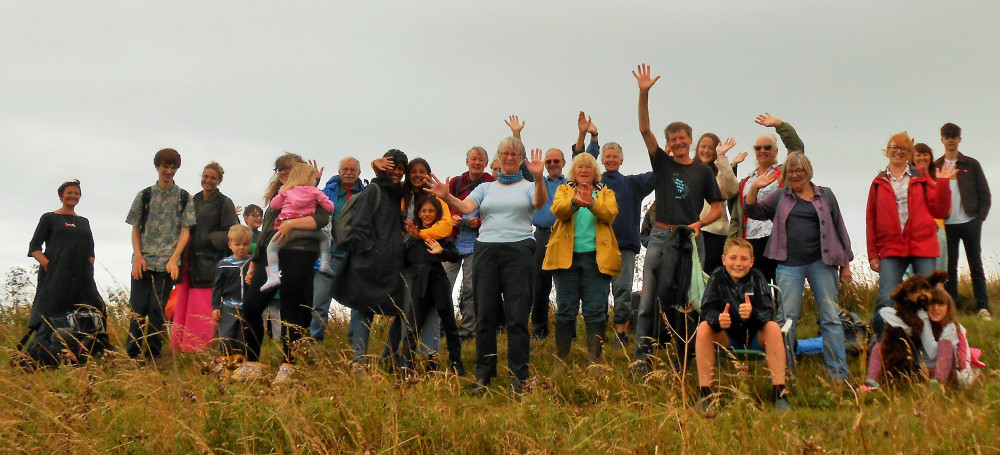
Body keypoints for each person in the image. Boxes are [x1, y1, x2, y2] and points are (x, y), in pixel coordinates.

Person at [425, 136, 546, 394]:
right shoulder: (486, 188)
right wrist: (446, 197)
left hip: (519, 249)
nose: (509, 157)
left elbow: (538, 203)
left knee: (516, 317)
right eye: (505, 153)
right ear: (498, 158)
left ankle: (519, 378)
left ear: (522, 158)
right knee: (485, 315)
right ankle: (484, 378)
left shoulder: (528, 185)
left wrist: (539, 178)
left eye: (515, 154)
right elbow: (466, 206)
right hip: (486, 251)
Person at [631, 63, 723, 374]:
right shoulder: (662, 164)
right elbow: (645, 129)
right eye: (673, 139)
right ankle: (642, 363)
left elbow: (717, 208)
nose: (679, 142)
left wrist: (701, 224)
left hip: (690, 239)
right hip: (660, 237)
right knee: (648, 302)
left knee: (690, 300)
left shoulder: (702, 171)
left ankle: (687, 358)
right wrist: (644, 93)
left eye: (683, 138)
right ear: (668, 143)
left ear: (691, 139)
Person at [745, 152, 853, 381]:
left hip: (822, 264)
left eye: (799, 170)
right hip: (788, 266)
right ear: (785, 175)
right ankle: (785, 374)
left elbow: (839, 228)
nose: (795, 175)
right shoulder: (779, 197)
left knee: (831, 317)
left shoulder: (826, 195)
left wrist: (846, 265)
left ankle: (839, 376)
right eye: (791, 171)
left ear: (807, 171)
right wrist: (754, 187)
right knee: (786, 320)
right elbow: (752, 211)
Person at [232, 152, 329, 383]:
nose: (284, 172)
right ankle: (252, 363)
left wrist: (292, 223)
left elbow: (322, 219)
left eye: (289, 168)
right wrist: (255, 262)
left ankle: (289, 366)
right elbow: (266, 234)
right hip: (271, 256)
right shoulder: (278, 196)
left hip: (300, 252)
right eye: (280, 169)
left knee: (290, 307)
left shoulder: (310, 192)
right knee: (252, 305)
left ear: (299, 170)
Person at [570, 112, 653, 347]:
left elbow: (659, 174)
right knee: (596, 292)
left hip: (624, 245)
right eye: (607, 156)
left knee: (622, 291)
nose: (611, 159)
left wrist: (666, 154)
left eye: (615, 156)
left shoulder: (633, 184)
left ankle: (621, 333)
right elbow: (580, 159)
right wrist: (587, 134)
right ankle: (596, 334)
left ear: (621, 160)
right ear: (602, 160)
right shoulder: (594, 183)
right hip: (595, 244)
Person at [866, 132, 954, 337]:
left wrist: (943, 183)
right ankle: (881, 346)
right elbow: (871, 219)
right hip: (892, 248)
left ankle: (930, 348)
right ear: (887, 152)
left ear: (909, 154)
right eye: (893, 147)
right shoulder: (878, 183)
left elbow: (940, 211)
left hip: (923, 246)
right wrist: (873, 254)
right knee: (886, 299)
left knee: (926, 300)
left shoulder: (922, 179)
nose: (897, 151)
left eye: (903, 148)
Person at [543, 152, 620, 368]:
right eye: (579, 167)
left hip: (597, 260)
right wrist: (575, 203)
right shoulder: (563, 190)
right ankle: (561, 362)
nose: (584, 171)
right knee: (565, 309)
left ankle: (594, 363)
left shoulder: (606, 193)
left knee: (595, 309)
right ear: (573, 172)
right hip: (566, 260)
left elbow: (610, 214)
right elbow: (557, 211)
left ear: (595, 172)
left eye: (588, 167)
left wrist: (592, 203)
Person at [333, 150, 409, 368]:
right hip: (368, 261)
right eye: (393, 168)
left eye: (401, 169)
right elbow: (359, 225)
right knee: (363, 309)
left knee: (397, 308)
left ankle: (388, 357)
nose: (397, 173)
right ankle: (359, 360)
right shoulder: (373, 190)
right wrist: (368, 251)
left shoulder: (399, 194)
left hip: (390, 263)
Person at [695, 238, 788, 412]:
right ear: (724, 260)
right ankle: (705, 395)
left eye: (744, 259)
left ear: (752, 262)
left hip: (754, 338)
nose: (738, 264)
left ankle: (779, 394)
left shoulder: (758, 277)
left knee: (774, 328)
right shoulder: (717, 276)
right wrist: (718, 319)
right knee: (704, 328)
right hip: (728, 339)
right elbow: (707, 309)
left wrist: (752, 314)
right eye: (733, 258)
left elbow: (768, 312)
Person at [124, 148, 197, 359]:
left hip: (167, 263)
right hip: (143, 261)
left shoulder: (184, 198)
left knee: (158, 311)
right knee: (137, 310)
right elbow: (136, 227)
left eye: (173, 167)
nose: (169, 171)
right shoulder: (145, 195)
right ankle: (132, 356)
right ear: (157, 166)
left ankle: (152, 356)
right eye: (166, 166)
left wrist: (174, 259)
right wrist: (137, 256)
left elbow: (185, 231)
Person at [26, 179, 107, 360]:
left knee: (96, 308)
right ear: (61, 195)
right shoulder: (49, 218)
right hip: (55, 276)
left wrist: (89, 266)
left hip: (81, 277)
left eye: (76, 193)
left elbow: (90, 249)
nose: (73, 196)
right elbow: (34, 247)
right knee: (49, 312)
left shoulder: (84, 221)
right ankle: (37, 354)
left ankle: (91, 350)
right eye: (69, 192)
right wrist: (48, 264)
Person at [170, 161, 239, 353]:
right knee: (184, 302)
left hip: (211, 261)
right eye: (206, 176)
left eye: (213, 178)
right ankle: (179, 346)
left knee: (202, 305)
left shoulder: (225, 202)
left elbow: (231, 231)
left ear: (219, 181)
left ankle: (198, 348)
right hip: (188, 260)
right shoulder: (194, 199)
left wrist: (209, 238)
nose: (208, 180)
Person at [729, 113, 805, 286]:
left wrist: (779, 125)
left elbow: (797, 150)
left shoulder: (784, 173)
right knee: (756, 291)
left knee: (783, 287)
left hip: (779, 238)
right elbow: (736, 217)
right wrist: (733, 244)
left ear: (776, 151)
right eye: (758, 147)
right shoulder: (746, 182)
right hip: (751, 242)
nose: (762, 150)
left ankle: (784, 314)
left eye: (767, 147)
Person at [398, 197, 466, 375]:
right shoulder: (413, 236)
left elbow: (455, 256)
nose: (427, 215)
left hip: (438, 282)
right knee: (413, 325)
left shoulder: (439, 236)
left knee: (449, 324)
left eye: (431, 211)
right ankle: (406, 365)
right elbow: (403, 260)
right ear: (418, 214)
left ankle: (456, 363)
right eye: (424, 211)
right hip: (420, 284)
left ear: (437, 214)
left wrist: (441, 251)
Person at [935, 123, 992, 320]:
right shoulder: (936, 167)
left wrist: (979, 219)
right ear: (941, 139)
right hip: (947, 224)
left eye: (954, 135)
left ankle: (983, 308)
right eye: (947, 136)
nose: (951, 139)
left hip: (970, 221)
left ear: (960, 139)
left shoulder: (971, 164)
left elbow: (985, 194)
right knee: (949, 268)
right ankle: (953, 309)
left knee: (976, 265)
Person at [443, 146, 495, 340]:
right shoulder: (456, 183)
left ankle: (467, 331)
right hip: (452, 242)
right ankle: (442, 326)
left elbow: (496, 213)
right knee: (444, 284)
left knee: (471, 288)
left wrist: (479, 222)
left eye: (481, 160)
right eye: (473, 159)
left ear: (486, 163)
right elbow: (441, 206)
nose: (477, 163)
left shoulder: (492, 183)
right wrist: (453, 217)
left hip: (477, 243)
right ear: (467, 162)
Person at [311, 157, 365, 343]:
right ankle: (314, 343)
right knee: (319, 302)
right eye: (345, 169)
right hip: (329, 255)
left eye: (352, 169)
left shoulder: (366, 194)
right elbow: (308, 200)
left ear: (359, 172)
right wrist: (314, 182)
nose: (348, 173)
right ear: (339, 171)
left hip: (356, 257)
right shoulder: (328, 192)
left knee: (358, 303)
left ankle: (355, 343)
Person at [261, 162, 335, 291]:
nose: (315, 181)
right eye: (313, 178)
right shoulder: (315, 191)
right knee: (324, 238)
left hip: (288, 230)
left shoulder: (286, 190)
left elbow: (274, 206)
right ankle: (324, 263)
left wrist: (281, 193)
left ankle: (273, 277)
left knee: (272, 249)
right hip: (309, 230)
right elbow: (330, 207)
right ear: (307, 178)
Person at [528, 147, 566, 339]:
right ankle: (540, 329)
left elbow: (586, 159)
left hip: (564, 236)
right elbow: (522, 165)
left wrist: (590, 136)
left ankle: (567, 330)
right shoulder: (537, 182)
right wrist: (516, 134)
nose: (552, 164)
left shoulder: (571, 183)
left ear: (564, 163)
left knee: (565, 284)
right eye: (548, 161)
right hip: (541, 236)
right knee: (540, 285)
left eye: (556, 161)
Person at [693, 134, 743, 273]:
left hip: (715, 233)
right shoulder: (688, 171)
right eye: (703, 146)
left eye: (711, 148)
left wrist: (722, 157)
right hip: (691, 231)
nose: (706, 151)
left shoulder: (719, 174)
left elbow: (732, 190)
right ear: (697, 148)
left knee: (713, 275)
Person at [211, 225, 253, 368]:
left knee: (243, 335)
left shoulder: (252, 263)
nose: (241, 247)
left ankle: (239, 364)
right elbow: (217, 287)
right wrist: (216, 306)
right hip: (229, 305)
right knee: (227, 334)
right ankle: (224, 362)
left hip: (247, 306)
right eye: (237, 244)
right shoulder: (224, 265)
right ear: (230, 245)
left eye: (246, 244)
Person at [911, 143, 947, 271]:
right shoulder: (908, 177)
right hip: (915, 228)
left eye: (925, 154)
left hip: (938, 226)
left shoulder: (937, 176)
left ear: (930, 157)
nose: (922, 158)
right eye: (918, 155)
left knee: (938, 268)